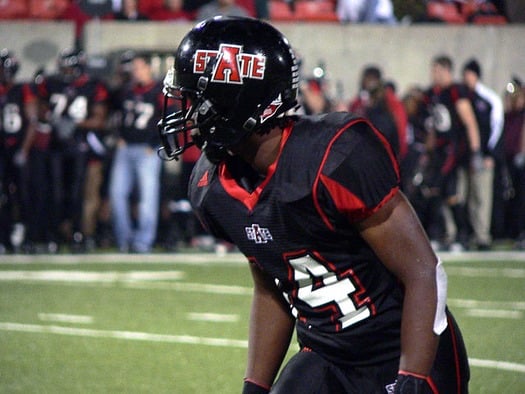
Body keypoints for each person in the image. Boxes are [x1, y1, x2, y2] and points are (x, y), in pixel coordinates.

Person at [158, 16, 469, 393]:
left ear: (235, 99)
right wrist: (255, 385)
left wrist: (414, 376)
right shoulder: (213, 188)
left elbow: (423, 272)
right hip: (327, 357)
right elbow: (272, 286)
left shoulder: (333, 158)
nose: (186, 112)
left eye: (195, 99)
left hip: (400, 349)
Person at [36, 48, 109, 252]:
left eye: (69, 69)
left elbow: (99, 119)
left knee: (78, 193)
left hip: (79, 146)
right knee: (55, 192)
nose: (65, 73)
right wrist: (53, 119)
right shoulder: (50, 83)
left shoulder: (93, 86)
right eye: (64, 68)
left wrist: (77, 124)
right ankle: (54, 235)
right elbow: (40, 109)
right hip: (56, 146)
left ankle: (77, 234)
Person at [422, 54, 482, 251]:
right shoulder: (433, 93)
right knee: (435, 191)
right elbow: (433, 125)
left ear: (446, 70)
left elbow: (469, 121)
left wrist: (475, 151)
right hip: (439, 150)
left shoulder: (456, 91)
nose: (433, 74)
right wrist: (428, 149)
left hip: (453, 149)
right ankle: (441, 235)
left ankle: (463, 235)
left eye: (437, 70)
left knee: (450, 193)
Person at [109, 53, 164, 253]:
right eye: (134, 68)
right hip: (126, 148)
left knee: (147, 197)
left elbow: (169, 118)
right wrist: (118, 136)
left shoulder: (159, 90)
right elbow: (113, 114)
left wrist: (155, 143)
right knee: (116, 194)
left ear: (149, 68)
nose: (136, 72)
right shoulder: (125, 91)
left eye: (140, 67)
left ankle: (143, 241)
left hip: (148, 150)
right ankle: (124, 240)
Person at [461, 58, 504, 250]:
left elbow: (497, 128)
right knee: (469, 197)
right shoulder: (464, 97)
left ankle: (483, 236)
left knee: (482, 197)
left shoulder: (488, 98)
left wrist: (490, 154)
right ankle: (472, 234)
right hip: (467, 157)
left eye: (468, 74)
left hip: (484, 156)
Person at [0, 49, 37, 253]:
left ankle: (26, 236)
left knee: (23, 194)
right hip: (2, 150)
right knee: (4, 196)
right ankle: (5, 238)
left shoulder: (23, 90)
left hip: (18, 148)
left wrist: (23, 150)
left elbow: (32, 122)